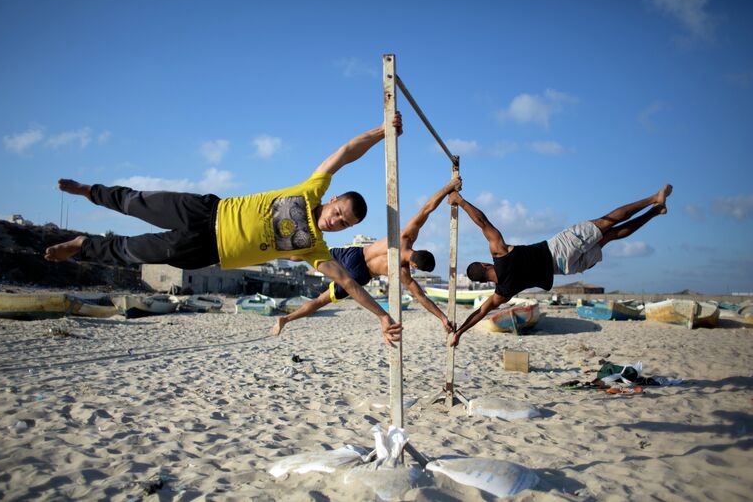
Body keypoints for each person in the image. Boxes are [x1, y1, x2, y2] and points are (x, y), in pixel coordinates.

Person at [44, 114, 405, 345]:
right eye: (339, 212)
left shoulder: (315, 248)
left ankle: (83, 244)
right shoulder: (310, 189)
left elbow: (349, 284)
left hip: (208, 252)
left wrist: (383, 316)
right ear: (334, 199)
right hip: (205, 211)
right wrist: (381, 131)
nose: (336, 221)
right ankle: (88, 191)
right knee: (137, 201)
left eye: (345, 224)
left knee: (133, 250)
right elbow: (344, 152)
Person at [448, 184, 673, 346]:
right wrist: (461, 201)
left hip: (565, 268)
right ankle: (653, 199)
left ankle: (655, 212)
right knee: (607, 222)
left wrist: (459, 332)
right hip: (559, 248)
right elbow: (482, 221)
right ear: (486, 264)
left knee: (611, 237)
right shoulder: (500, 252)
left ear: (484, 281)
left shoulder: (503, 292)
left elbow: (480, 312)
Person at [272, 176, 463, 337]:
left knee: (308, 254)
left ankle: (272, 253)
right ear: (415, 264)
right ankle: (286, 319)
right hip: (360, 274)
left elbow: (427, 209)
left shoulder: (405, 237)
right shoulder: (402, 271)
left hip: (354, 254)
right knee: (321, 301)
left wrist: (448, 187)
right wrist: (442, 317)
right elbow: (421, 296)